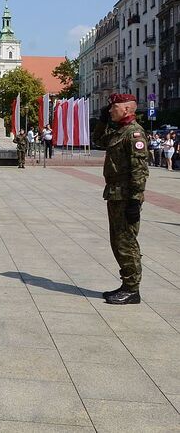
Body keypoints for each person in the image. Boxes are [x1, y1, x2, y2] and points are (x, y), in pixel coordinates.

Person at [93, 93, 149, 305]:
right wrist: (102, 122)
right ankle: (126, 284)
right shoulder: (119, 131)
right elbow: (99, 140)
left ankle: (133, 289)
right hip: (115, 193)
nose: (110, 110)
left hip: (127, 196)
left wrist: (135, 201)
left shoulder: (134, 134)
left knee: (127, 242)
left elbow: (139, 170)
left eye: (113, 108)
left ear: (126, 109)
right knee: (118, 241)